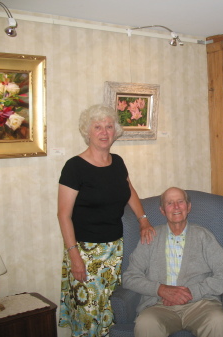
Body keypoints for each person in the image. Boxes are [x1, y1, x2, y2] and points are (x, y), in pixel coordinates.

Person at [57, 104, 156, 337]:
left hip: (116, 251)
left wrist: (144, 220)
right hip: (85, 252)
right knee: (88, 319)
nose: (104, 132)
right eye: (98, 127)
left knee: (110, 314)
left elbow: (129, 190)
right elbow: (63, 215)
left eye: (109, 126)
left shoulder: (118, 162)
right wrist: (75, 257)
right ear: (87, 132)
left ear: (115, 131)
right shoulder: (74, 167)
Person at [123, 187, 223, 337]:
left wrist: (192, 292)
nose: (176, 207)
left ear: (188, 207)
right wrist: (160, 290)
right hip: (159, 305)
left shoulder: (203, 236)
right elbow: (129, 277)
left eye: (180, 202)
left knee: (218, 320)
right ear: (162, 210)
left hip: (200, 305)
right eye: (170, 203)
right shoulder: (150, 237)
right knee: (146, 323)